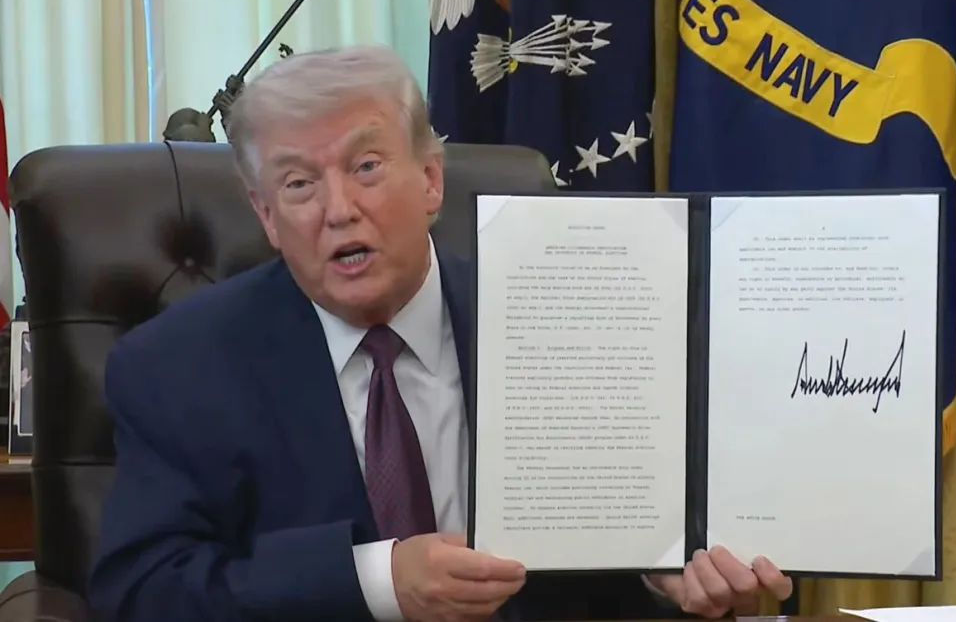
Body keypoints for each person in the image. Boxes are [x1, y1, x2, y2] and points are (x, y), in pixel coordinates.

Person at [88, 45, 793, 622]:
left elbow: (624, 556)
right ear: (267, 217)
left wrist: (666, 577)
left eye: (366, 167)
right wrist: (378, 579)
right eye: (298, 185)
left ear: (429, 180)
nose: (339, 210)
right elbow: (144, 591)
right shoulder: (177, 367)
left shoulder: (565, 328)